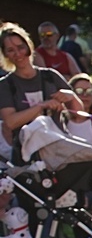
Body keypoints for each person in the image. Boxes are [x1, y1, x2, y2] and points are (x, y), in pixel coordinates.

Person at [0, 23, 77, 155]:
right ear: (5, 54)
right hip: (26, 152)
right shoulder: (5, 84)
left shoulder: (50, 76)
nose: (18, 54)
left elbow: (79, 113)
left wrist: (70, 95)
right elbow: (10, 122)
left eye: (21, 47)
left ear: (29, 46)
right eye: (11, 50)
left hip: (60, 146)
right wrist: (41, 106)